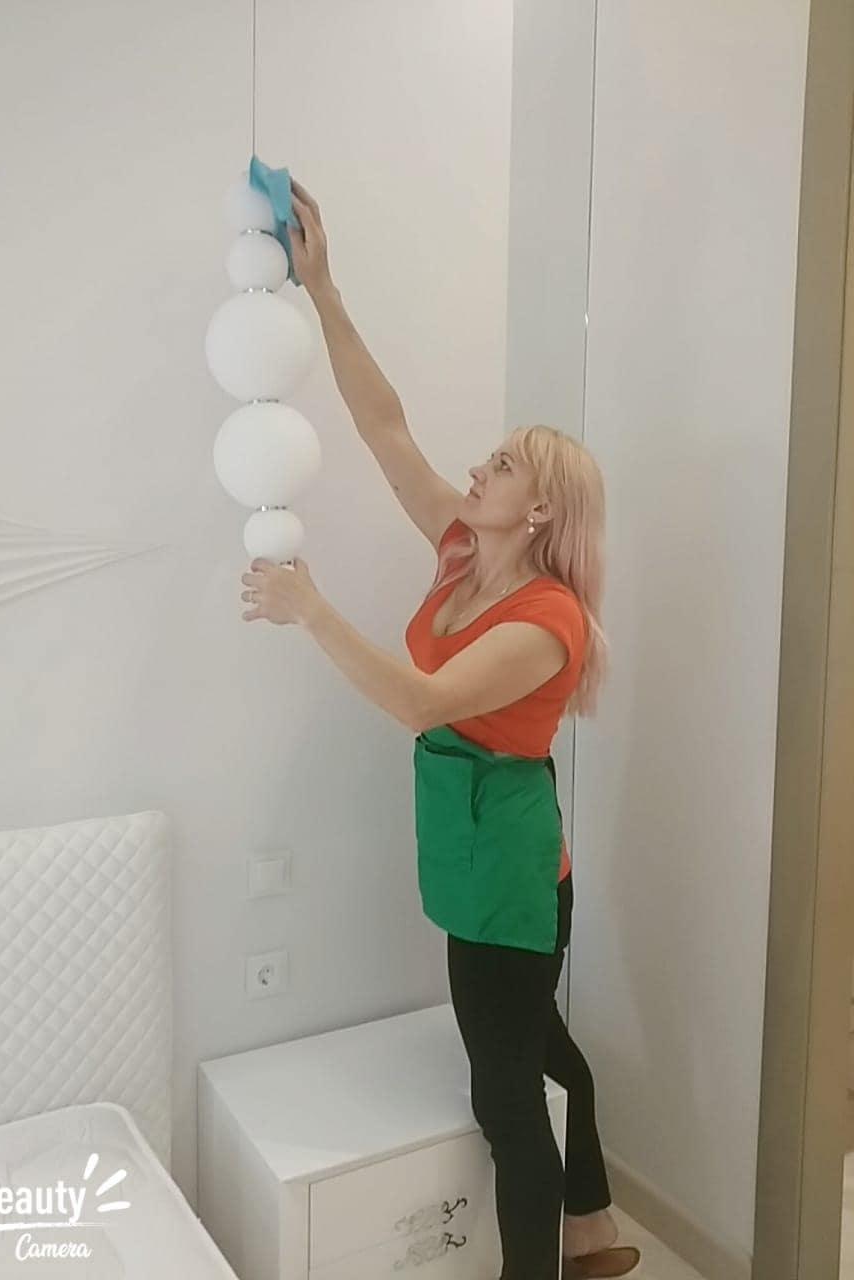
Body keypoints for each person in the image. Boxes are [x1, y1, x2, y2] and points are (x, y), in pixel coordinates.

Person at [238, 178, 641, 1280]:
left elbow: (422, 701)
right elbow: (383, 426)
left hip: (511, 863)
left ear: (541, 508)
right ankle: (596, 1229)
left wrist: (310, 608)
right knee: (537, 1041)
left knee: (505, 1092)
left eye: (501, 464)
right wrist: (322, 288)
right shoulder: (464, 551)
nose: (476, 468)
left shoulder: (549, 622)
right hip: (468, 832)